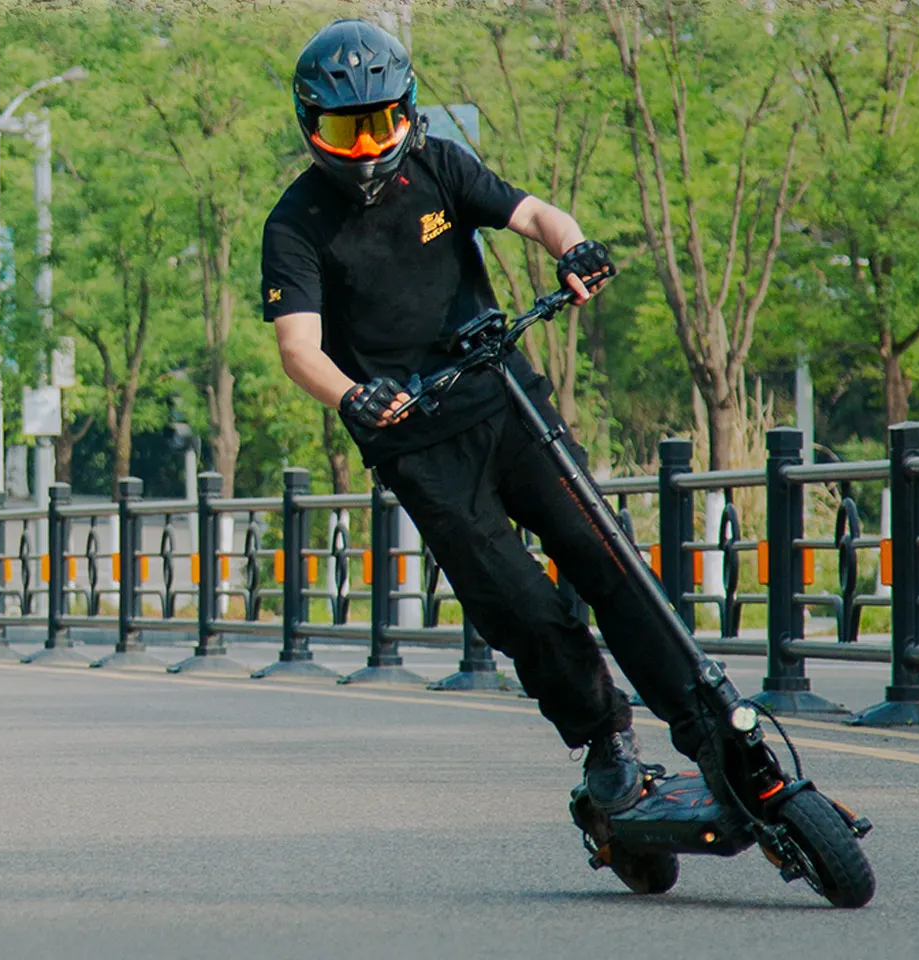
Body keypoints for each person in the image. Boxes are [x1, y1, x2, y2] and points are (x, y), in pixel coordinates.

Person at [260, 18, 706, 814]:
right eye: (345, 130)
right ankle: (605, 739)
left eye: (382, 123)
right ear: (310, 125)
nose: (367, 148)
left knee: (604, 555)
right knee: (520, 604)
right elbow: (299, 347)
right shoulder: (294, 223)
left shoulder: (440, 164)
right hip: (415, 441)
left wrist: (574, 248)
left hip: (506, 401)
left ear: (409, 111)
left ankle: (705, 720)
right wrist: (351, 394)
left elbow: (537, 216)